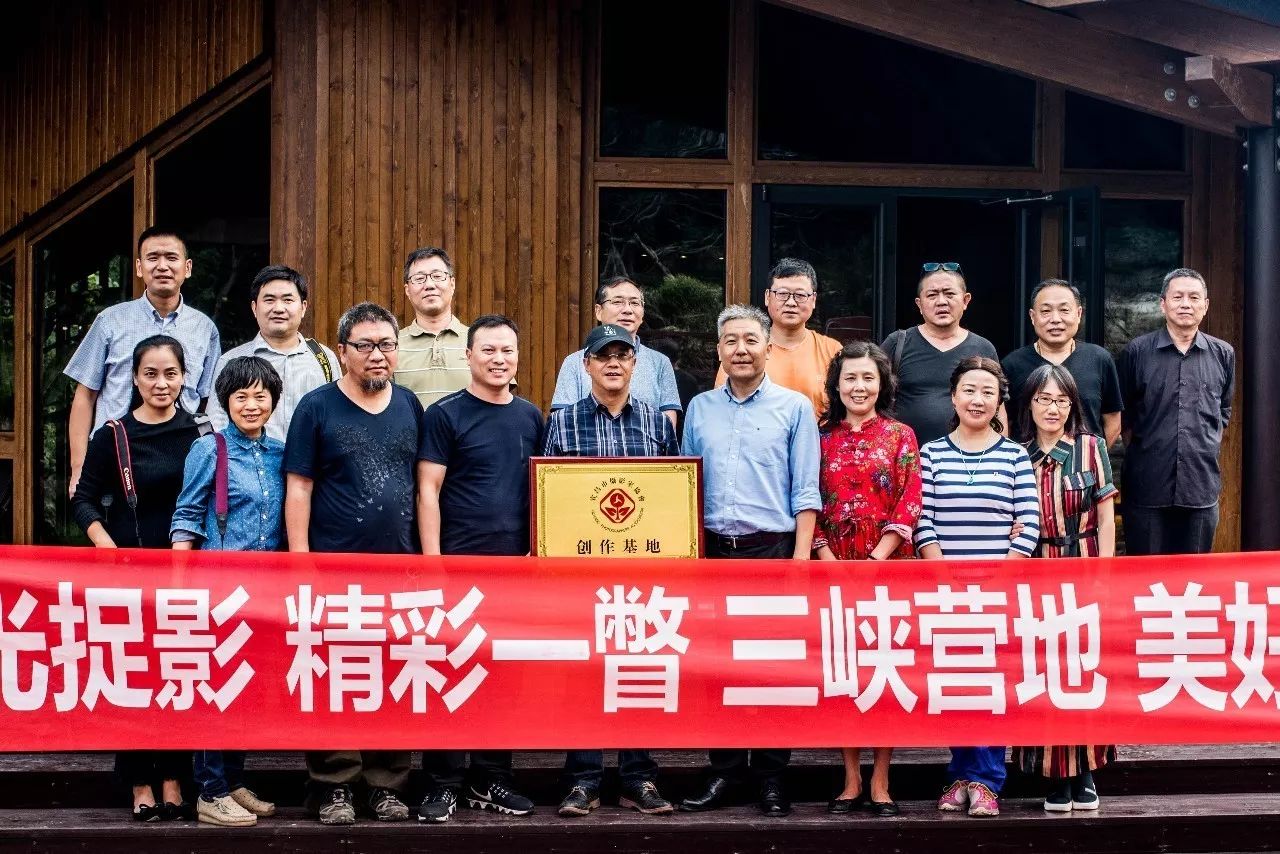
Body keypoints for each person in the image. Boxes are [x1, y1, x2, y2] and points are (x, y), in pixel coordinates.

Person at [680, 305, 821, 818]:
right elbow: (684, 485)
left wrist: (800, 561)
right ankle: (724, 771)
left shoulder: (794, 408)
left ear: (767, 347)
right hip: (715, 552)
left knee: (771, 668)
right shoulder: (699, 409)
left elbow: (806, 490)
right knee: (716, 667)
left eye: (750, 340)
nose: (741, 350)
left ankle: (772, 776)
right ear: (719, 350)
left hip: (773, 551)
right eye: (730, 341)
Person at [284, 302, 419, 825]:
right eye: (364, 345)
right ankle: (334, 785)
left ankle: (387, 784)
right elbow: (299, 486)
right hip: (331, 571)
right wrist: (300, 561)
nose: (377, 354)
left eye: (386, 344)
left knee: (395, 674)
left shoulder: (409, 404)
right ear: (342, 352)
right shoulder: (316, 407)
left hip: (400, 571)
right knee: (335, 674)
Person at [543, 323, 679, 818]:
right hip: (580, 575)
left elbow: (672, 496)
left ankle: (638, 777)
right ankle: (583, 780)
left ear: (636, 364)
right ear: (587, 365)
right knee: (584, 673)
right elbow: (549, 497)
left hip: (642, 574)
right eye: (604, 356)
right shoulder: (563, 424)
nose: (614, 363)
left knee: (638, 671)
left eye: (623, 355)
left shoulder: (658, 425)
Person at [69, 335, 204, 822]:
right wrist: (109, 549)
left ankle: (174, 779)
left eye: (171, 373)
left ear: (185, 378)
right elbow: (82, 499)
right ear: (135, 378)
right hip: (128, 578)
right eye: (151, 373)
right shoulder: (112, 435)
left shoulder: (201, 434)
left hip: (188, 577)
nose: (161, 383)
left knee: (179, 677)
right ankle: (139, 781)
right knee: (135, 679)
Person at [415, 315, 543, 823]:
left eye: (507, 350)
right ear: (468, 355)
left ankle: (491, 778)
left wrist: (537, 550)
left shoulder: (531, 416)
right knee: (449, 672)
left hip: (514, 573)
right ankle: (442, 783)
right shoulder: (445, 414)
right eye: (488, 350)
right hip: (455, 568)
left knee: (501, 677)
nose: (498, 359)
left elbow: (542, 489)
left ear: (518, 357)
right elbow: (428, 490)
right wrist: (433, 563)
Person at [914, 356, 1040, 818]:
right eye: (969, 390)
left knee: (992, 683)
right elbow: (922, 519)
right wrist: (945, 576)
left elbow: (1028, 523)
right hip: (945, 590)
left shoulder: (1015, 455)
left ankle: (986, 781)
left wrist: (998, 579)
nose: (977, 399)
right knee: (955, 682)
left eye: (988, 392)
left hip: (998, 591)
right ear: (953, 397)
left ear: (999, 401)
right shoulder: (930, 453)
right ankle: (959, 774)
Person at [170, 356, 286, 827]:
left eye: (261, 395)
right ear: (226, 402)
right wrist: (178, 584)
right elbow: (186, 515)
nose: (252, 404)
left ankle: (234, 781)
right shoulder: (209, 449)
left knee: (246, 689)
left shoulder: (281, 453)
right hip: (218, 591)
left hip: (266, 594)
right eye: (241, 396)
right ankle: (210, 791)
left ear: (274, 401)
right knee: (214, 688)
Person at [813, 342, 921, 818]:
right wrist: (827, 556)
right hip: (834, 569)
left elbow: (910, 500)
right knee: (844, 671)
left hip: (887, 569)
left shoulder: (900, 436)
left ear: (883, 384)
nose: (859, 387)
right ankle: (850, 776)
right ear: (837, 385)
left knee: (883, 670)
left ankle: (881, 777)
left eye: (868, 378)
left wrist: (878, 557)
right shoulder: (819, 438)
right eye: (850, 378)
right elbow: (806, 497)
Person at [1010, 363, 1117, 813]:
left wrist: (1105, 575)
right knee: (1043, 668)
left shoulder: (1091, 448)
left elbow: (1107, 517)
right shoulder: (1017, 453)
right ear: (1029, 404)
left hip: (1085, 563)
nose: (1052, 409)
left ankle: (1086, 770)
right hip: (1035, 569)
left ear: (1072, 405)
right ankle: (1054, 774)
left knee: (1084, 666)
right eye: (1043, 399)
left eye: (1061, 400)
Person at [64, 226, 220, 496]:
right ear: (139, 267)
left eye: (171, 257)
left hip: (182, 459)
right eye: (153, 258)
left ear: (187, 268)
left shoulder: (205, 329)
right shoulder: (110, 321)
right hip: (114, 453)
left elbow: (208, 402)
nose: (162, 266)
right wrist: (79, 468)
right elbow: (85, 396)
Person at [1117, 267, 1234, 556]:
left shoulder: (1223, 354)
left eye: (1194, 297)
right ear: (1163, 304)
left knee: (1194, 574)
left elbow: (1223, 411)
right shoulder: (1136, 352)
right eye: (1177, 296)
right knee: (1145, 573)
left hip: (1200, 484)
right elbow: (1123, 417)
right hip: (1147, 484)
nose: (1185, 304)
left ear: (1206, 305)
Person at [205, 265, 340, 441]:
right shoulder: (231, 360)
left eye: (288, 300)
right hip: (251, 458)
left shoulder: (324, 359)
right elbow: (217, 424)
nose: (278, 308)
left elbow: (337, 417)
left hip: (310, 459)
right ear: (254, 308)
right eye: (269, 300)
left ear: (303, 307)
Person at [882, 262, 1000, 445]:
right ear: (919, 304)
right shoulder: (897, 343)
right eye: (932, 295)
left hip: (967, 457)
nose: (941, 301)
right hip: (905, 456)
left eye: (949, 294)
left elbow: (998, 408)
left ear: (966, 300)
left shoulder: (983, 349)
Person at [1001, 279, 1122, 447]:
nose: (1055, 319)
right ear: (1032, 317)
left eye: (1064, 310)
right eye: (1046, 311)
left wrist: (1091, 456)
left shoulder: (1099, 359)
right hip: (1027, 462)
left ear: (1079, 314)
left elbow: (1113, 421)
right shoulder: (1012, 364)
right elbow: (1004, 423)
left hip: (1084, 462)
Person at [714, 258, 842, 418]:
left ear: (813, 300)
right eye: (782, 294)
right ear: (767, 297)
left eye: (800, 295)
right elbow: (722, 407)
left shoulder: (832, 350)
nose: (791, 302)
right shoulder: (744, 352)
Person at [551, 275, 681, 428]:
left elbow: (667, 425)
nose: (627, 310)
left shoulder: (660, 363)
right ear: (598, 311)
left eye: (634, 303)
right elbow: (562, 423)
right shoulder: (574, 362)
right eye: (618, 302)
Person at [394, 247, 470, 408]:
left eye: (437, 276)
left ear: (452, 283)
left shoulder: (480, 341)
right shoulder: (390, 345)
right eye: (419, 278)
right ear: (407, 290)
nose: (429, 285)